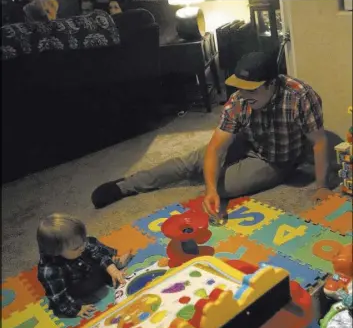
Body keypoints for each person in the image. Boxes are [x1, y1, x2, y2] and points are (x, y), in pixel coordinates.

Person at [91, 52, 333, 216]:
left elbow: (319, 143)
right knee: (192, 163)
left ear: (272, 84)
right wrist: (210, 190)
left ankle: (221, 180)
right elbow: (216, 148)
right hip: (245, 141)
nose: (243, 94)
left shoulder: (301, 96)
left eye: (252, 89)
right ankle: (126, 185)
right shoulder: (238, 101)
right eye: (240, 87)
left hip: (278, 158)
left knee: (226, 186)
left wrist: (321, 185)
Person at [37, 213, 132, 318]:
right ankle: (110, 267)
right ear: (56, 251)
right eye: (76, 247)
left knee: (92, 244)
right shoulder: (50, 270)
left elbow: (96, 252)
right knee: (88, 280)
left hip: (87, 268)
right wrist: (76, 309)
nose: (82, 247)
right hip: (77, 285)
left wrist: (112, 270)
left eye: (82, 241)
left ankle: (112, 263)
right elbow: (59, 298)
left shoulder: (78, 246)